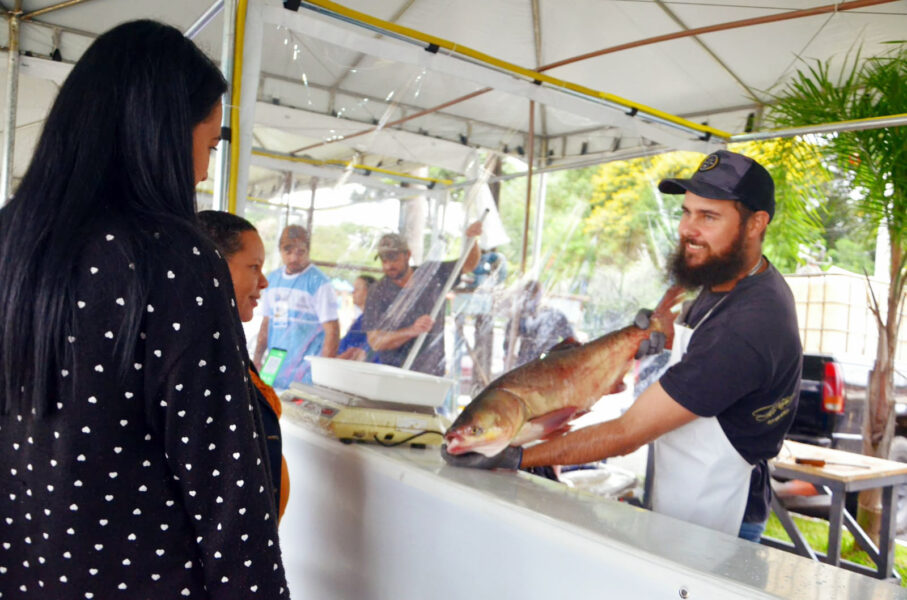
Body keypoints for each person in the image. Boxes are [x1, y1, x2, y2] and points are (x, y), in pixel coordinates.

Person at [0, 20, 288, 598]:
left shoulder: (13, 238)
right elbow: (227, 484)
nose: (204, 172)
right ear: (158, 135)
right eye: (207, 146)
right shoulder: (171, 257)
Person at [445, 150, 802, 542]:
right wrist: (661, 337)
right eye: (686, 212)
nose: (688, 229)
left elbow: (627, 432)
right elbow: (703, 354)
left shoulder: (749, 324)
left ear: (756, 224)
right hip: (681, 500)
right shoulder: (725, 280)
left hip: (720, 518)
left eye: (708, 217)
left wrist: (515, 456)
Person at [197, 210, 290, 522]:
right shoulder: (199, 356)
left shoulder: (226, 343)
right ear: (213, 268)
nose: (263, 281)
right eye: (254, 267)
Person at [363, 222, 483, 375]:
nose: (388, 266)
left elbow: (468, 264)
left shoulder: (432, 274)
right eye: (384, 260)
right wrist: (412, 331)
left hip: (432, 373)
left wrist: (471, 240)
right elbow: (375, 341)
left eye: (393, 259)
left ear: (407, 255)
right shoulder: (377, 291)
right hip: (394, 375)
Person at [254, 224, 340, 389]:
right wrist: (257, 358)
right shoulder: (271, 280)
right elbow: (266, 323)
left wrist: (324, 376)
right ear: (280, 250)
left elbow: (332, 330)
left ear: (308, 251)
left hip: (306, 374)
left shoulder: (319, 283)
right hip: (274, 370)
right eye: (288, 251)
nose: (294, 258)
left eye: (301, 252)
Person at [504, 280, 578, 368]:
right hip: (530, 366)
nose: (531, 299)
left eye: (533, 294)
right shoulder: (520, 318)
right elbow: (508, 344)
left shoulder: (555, 316)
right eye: (530, 295)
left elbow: (572, 342)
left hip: (545, 365)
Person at [337, 274, 379, 362]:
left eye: (357, 289)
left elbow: (354, 353)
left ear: (370, 292)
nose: (353, 292)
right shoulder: (362, 319)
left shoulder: (371, 320)